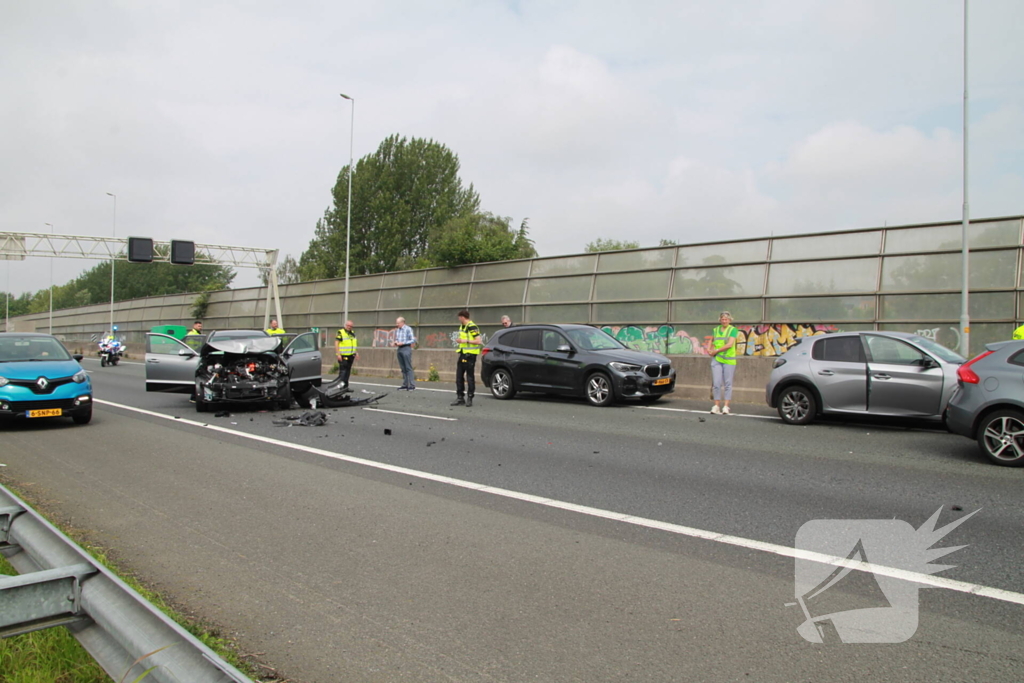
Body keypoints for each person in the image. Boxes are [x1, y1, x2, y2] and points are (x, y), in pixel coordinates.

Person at [709, 311, 740, 415]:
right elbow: (712, 340)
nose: (724, 321)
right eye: (722, 319)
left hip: (729, 360)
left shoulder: (733, 330)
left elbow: (730, 344)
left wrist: (715, 351)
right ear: (720, 320)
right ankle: (716, 405)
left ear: (730, 320)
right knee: (716, 383)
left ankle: (726, 406)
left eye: (726, 319)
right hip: (717, 359)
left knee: (728, 383)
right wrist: (709, 349)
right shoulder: (716, 329)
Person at [451, 309, 482, 407]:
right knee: (459, 377)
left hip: (470, 355)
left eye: (459, 318)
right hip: (463, 354)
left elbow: (478, 341)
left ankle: (470, 398)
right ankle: (460, 397)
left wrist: (464, 340)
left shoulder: (472, 326)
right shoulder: (462, 326)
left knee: (470, 377)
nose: (459, 319)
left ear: (462, 317)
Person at [392, 317, 417, 390]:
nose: (397, 324)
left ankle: (412, 384)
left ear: (402, 322)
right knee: (403, 368)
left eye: (398, 323)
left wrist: (403, 343)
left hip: (406, 348)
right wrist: (396, 342)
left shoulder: (408, 329)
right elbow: (397, 338)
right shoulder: (398, 330)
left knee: (408, 367)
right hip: (399, 348)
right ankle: (405, 384)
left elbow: (412, 340)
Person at [335, 320, 358, 389]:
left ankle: (345, 386)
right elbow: (336, 343)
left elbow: (353, 344)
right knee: (343, 371)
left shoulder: (352, 333)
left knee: (348, 371)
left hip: (351, 355)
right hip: (343, 355)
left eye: (351, 326)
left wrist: (356, 352)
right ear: (345, 325)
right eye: (348, 325)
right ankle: (340, 386)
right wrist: (338, 354)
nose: (349, 327)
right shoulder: (341, 332)